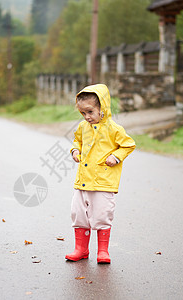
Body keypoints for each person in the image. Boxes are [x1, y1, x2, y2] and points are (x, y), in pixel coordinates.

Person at [65, 83, 136, 264]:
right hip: (82, 181)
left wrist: (116, 156)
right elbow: (77, 142)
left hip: (104, 182)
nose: (86, 117)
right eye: (83, 113)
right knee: (78, 213)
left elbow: (128, 145)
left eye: (90, 112)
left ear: (102, 109)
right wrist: (75, 151)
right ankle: (81, 249)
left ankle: (103, 251)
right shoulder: (82, 127)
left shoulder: (114, 129)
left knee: (102, 214)